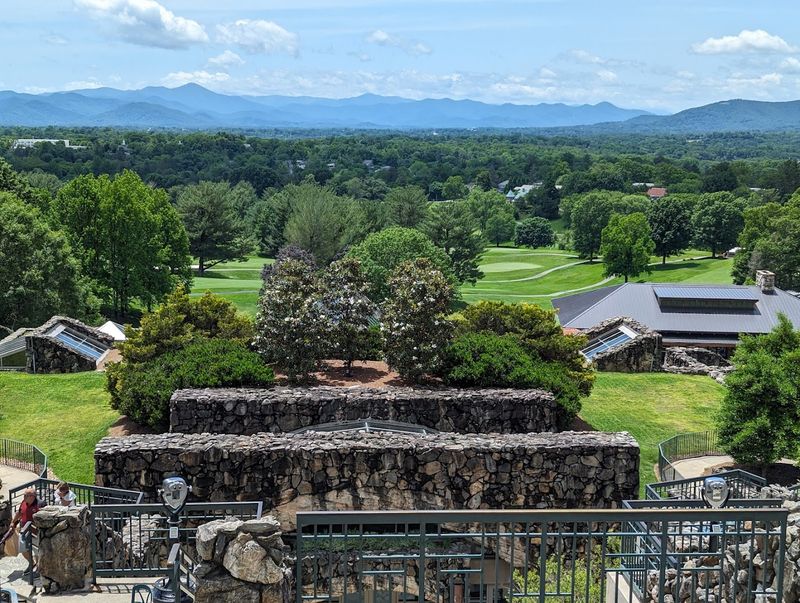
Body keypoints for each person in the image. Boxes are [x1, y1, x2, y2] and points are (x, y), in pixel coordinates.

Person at [10, 487, 40, 570]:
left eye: (25, 495)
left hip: (35, 533)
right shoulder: (23, 502)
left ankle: (38, 568)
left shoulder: (40, 504)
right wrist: (13, 522)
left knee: (37, 552)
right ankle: (32, 563)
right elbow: (19, 513)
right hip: (24, 531)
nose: (24, 496)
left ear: (32, 496)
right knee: (23, 549)